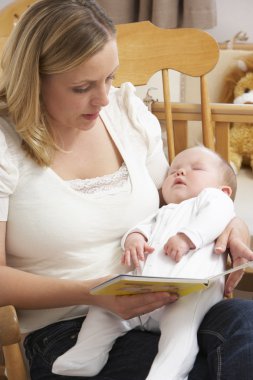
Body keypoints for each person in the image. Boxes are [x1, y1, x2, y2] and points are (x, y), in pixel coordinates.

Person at [0, 1, 253, 379]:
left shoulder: (126, 113)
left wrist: (233, 224)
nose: (103, 99)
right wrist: (92, 293)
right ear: (34, 79)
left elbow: (179, 200)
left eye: (110, 78)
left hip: (169, 303)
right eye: (82, 87)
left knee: (247, 326)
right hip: (69, 328)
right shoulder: (5, 145)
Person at [52, 146, 236, 379]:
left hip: (187, 292)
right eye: (174, 171)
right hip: (142, 290)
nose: (180, 173)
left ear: (224, 189)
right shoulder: (163, 211)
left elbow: (218, 215)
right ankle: (85, 355)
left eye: (196, 168)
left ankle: (167, 374)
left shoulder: (213, 199)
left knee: (180, 332)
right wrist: (134, 239)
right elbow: (141, 228)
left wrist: (188, 237)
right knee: (102, 312)